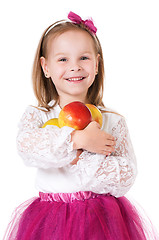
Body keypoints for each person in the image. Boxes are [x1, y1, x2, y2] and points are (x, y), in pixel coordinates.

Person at [3, 11, 159, 240]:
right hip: (50, 220)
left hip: (102, 221)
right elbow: (28, 148)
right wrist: (77, 141)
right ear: (46, 67)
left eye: (83, 58)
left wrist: (88, 155)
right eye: (63, 59)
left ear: (97, 64)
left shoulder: (113, 120)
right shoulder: (38, 116)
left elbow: (125, 175)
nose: (74, 67)